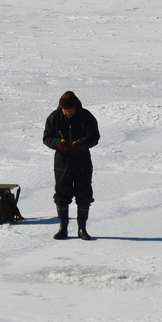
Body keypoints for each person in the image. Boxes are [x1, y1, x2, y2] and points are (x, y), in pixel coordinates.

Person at [43, 91, 100, 240]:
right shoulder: (54, 117)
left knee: (84, 194)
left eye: (70, 110)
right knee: (62, 194)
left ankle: (82, 229)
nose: (68, 113)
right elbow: (47, 137)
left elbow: (95, 136)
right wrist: (57, 143)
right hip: (62, 162)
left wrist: (84, 143)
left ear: (76, 107)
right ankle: (63, 228)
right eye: (65, 110)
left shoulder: (86, 116)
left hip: (82, 162)